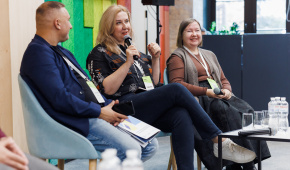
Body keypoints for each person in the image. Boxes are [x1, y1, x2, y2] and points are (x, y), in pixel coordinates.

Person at [86, 5, 256, 170]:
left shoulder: (131, 49)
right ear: (109, 27)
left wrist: (154, 59)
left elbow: (151, 84)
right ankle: (218, 140)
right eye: (118, 23)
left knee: (181, 115)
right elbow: (107, 89)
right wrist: (128, 62)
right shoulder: (99, 53)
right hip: (122, 109)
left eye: (127, 21)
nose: (125, 27)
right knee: (176, 88)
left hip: (144, 107)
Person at [20, 1, 158, 162]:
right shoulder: (38, 53)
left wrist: (108, 106)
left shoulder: (61, 51)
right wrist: (99, 112)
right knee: (132, 149)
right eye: (68, 20)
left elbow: (87, 87)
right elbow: (60, 99)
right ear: (57, 23)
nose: (71, 26)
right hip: (76, 120)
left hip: (94, 112)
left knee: (150, 144)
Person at [167, 18, 271, 170]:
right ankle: (246, 165)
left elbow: (223, 79)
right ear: (181, 35)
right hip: (197, 99)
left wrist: (227, 90)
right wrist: (206, 91)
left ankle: (239, 162)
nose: (194, 34)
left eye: (197, 30)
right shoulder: (177, 57)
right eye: (189, 31)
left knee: (245, 110)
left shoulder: (209, 54)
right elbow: (176, 85)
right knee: (222, 109)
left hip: (217, 93)